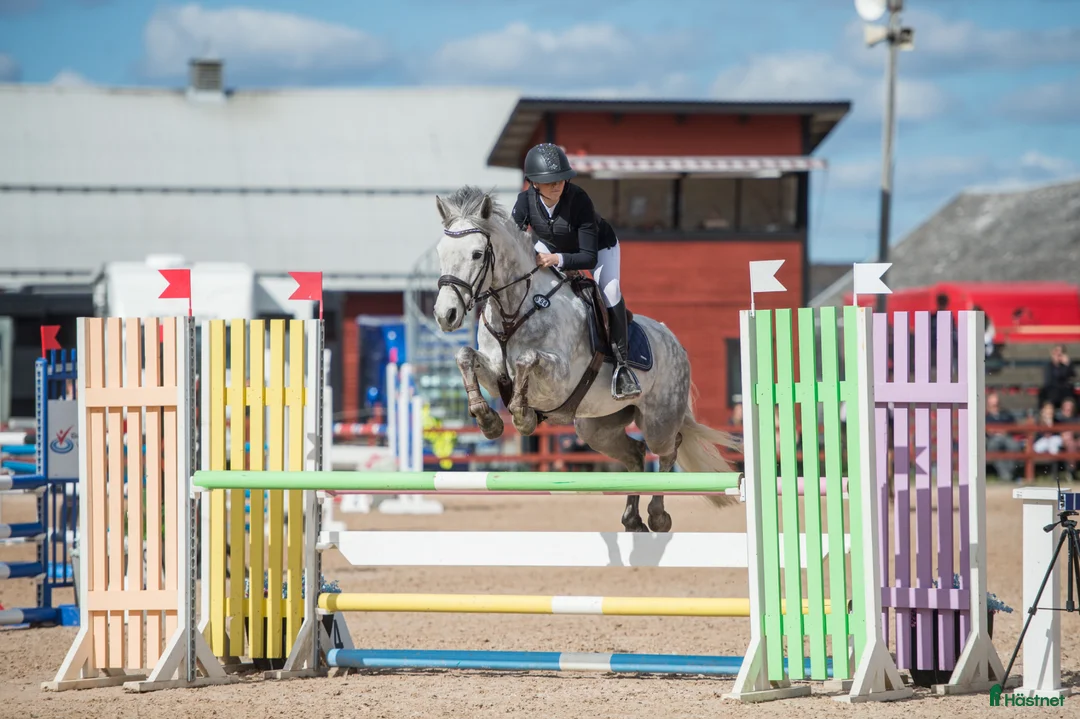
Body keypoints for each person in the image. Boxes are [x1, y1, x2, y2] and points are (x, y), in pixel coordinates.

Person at [510, 142, 641, 400]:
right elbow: (515, 240)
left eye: (561, 179)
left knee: (611, 291)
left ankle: (622, 366)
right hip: (550, 245)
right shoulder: (524, 201)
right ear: (534, 183)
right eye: (550, 181)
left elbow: (588, 257)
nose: (557, 184)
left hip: (599, 249)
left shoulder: (579, 200)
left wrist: (555, 259)